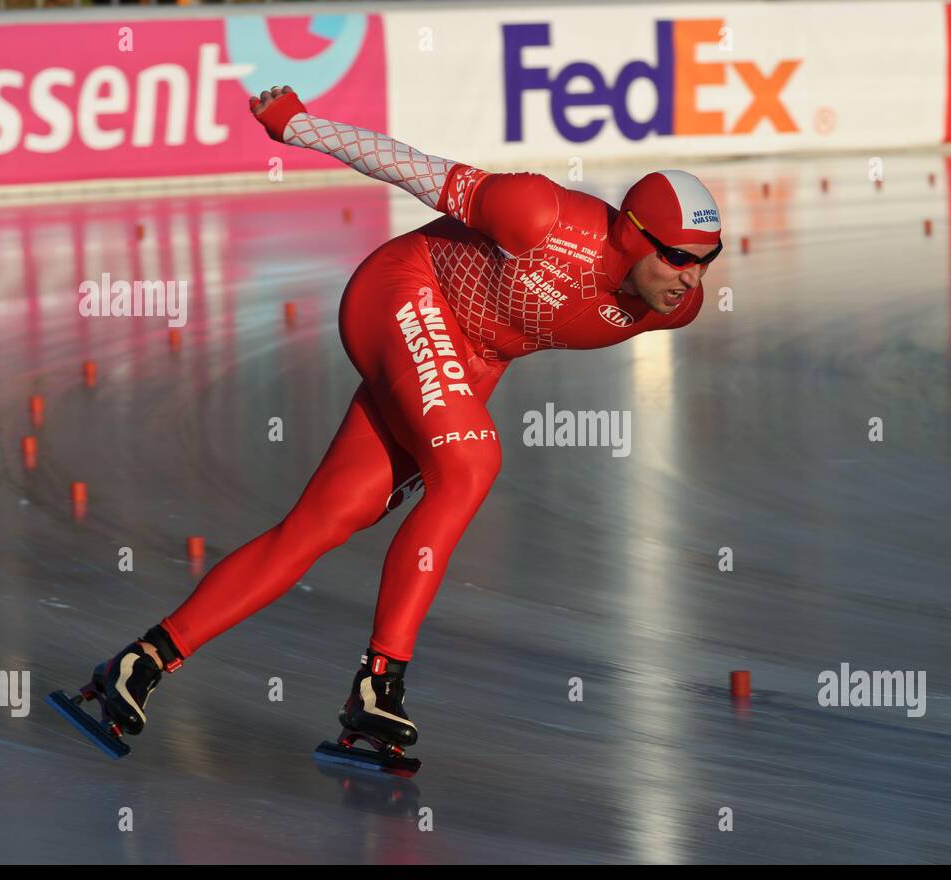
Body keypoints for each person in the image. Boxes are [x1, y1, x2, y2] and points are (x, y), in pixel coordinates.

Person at [79, 85, 723, 755]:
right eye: (677, 256)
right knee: (472, 462)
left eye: (707, 260)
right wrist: (299, 127)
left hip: (466, 362)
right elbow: (409, 165)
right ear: (631, 232)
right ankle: (378, 683)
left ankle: (139, 662)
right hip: (404, 292)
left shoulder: (677, 305)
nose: (690, 278)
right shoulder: (541, 214)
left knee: (324, 522)